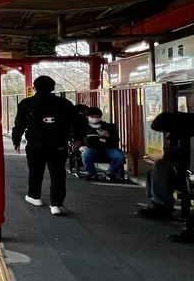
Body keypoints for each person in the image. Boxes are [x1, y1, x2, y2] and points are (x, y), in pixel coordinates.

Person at [11, 76, 76, 215]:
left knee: (35, 171)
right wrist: (76, 139)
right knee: (58, 173)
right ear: (53, 88)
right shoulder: (64, 103)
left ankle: (34, 197)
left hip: (36, 144)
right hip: (59, 144)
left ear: (34, 87)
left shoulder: (26, 103)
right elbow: (75, 123)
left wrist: (16, 141)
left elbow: (19, 124)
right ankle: (56, 205)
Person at [79, 108, 125, 181]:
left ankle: (109, 174)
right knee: (86, 154)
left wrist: (108, 135)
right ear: (87, 116)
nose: (95, 119)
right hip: (90, 147)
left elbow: (116, 139)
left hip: (108, 147)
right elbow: (77, 138)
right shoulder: (82, 127)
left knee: (119, 157)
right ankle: (91, 173)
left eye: (97, 117)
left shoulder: (108, 126)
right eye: (92, 117)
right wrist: (80, 146)